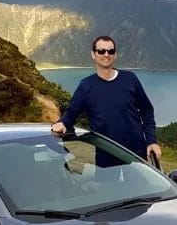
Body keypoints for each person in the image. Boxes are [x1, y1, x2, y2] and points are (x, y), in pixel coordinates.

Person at [51, 35, 162, 166]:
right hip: (106, 157)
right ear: (93, 54)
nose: (106, 54)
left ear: (115, 55)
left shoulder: (130, 79)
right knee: (107, 187)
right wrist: (62, 123)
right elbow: (71, 113)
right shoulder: (86, 86)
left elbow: (147, 110)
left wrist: (151, 141)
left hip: (136, 154)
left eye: (111, 51)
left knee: (138, 187)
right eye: (101, 51)